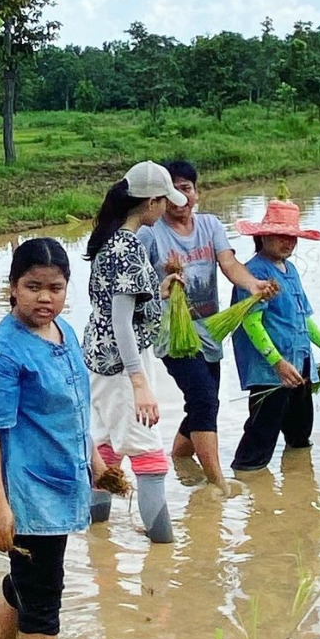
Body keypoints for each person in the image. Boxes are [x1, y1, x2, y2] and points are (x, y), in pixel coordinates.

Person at [0, 237, 92, 639]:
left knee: (31, 576)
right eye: (33, 286)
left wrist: (96, 463)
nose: (45, 297)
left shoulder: (65, 333)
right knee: (44, 596)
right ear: (13, 288)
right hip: (26, 494)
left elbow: (78, 407)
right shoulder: (1, 354)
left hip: (60, 481)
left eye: (55, 287)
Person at [138, 159, 275, 491]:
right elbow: (137, 286)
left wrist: (254, 285)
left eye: (185, 189)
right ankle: (217, 483)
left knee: (205, 399)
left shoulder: (211, 226)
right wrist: (164, 281)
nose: (179, 199)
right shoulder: (150, 233)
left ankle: (180, 455)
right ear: (159, 198)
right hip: (172, 333)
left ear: (196, 193)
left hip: (210, 330)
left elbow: (228, 263)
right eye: (171, 192)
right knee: (202, 398)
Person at [82, 161, 188, 544]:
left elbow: (116, 308)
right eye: (164, 201)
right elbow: (122, 323)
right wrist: (140, 383)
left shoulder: (109, 241)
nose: (167, 209)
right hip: (123, 366)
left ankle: (97, 543)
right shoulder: (127, 249)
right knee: (150, 461)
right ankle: (166, 554)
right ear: (151, 202)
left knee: (106, 450)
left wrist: (157, 292)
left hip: (97, 360)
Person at [228, 199, 320, 473]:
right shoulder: (255, 273)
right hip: (271, 371)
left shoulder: (290, 270)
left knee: (300, 436)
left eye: (293, 237)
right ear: (263, 236)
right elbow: (251, 323)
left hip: (300, 363)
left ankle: (299, 490)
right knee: (261, 436)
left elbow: (303, 316)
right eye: (281, 236)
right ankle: (247, 483)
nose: (289, 243)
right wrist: (278, 363)